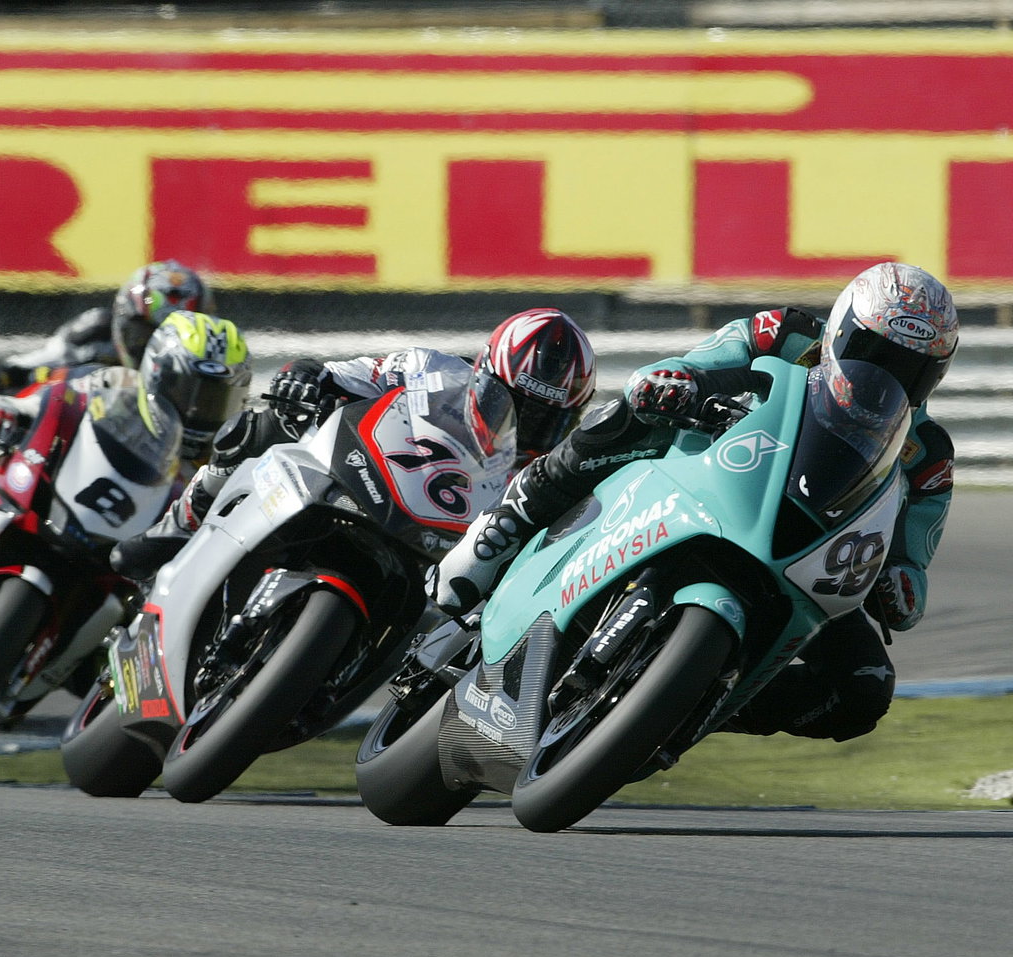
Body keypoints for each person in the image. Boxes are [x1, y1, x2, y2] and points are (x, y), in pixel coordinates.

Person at [430, 262, 959, 743]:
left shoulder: (928, 453)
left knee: (864, 690)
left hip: (803, 555)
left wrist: (901, 583)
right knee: (627, 414)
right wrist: (679, 382)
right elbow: (697, 363)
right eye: (872, 355)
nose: (885, 377)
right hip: (702, 473)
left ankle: (691, 701)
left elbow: (913, 559)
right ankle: (509, 522)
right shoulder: (786, 333)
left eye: (909, 370)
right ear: (842, 331)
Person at [111, 307, 597, 579]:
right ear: (482, 373)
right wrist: (306, 380)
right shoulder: (431, 368)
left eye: (544, 420)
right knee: (262, 426)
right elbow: (345, 375)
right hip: (372, 483)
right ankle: (177, 527)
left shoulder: (555, 475)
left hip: (446, 562)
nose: (522, 425)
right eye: (511, 403)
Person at [0, 311, 251, 597]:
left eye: (214, 401)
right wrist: (2, 409)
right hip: (56, 491)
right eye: (189, 395)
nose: (197, 411)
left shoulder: (226, 460)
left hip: (125, 564)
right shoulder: (108, 380)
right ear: (158, 374)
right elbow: (46, 396)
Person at [0, 260, 215, 397]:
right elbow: (33, 363)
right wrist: (0, 374)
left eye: (172, 339)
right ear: (122, 321)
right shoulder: (95, 330)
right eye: (146, 335)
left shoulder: (214, 354)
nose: (154, 349)